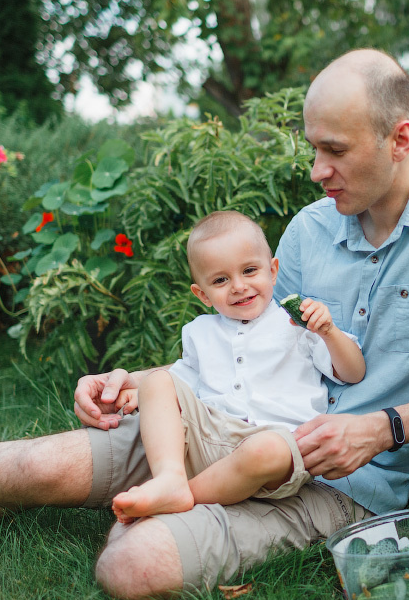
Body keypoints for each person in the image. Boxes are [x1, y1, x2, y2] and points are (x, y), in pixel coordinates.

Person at [0, 48, 409, 600]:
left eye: (335, 151)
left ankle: (159, 512)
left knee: (134, 564)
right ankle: (162, 491)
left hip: (342, 483)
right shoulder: (308, 230)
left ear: (400, 138)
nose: (317, 170)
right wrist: (131, 380)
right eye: (314, 148)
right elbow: (253, 345)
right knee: (33, 469)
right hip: (225, 425)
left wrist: (384, 428)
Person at [110, 211, 365, 524]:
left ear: (272, 271)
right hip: (211, 439)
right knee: (156, 380)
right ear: (202, 294)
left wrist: (328, 332)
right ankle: (169, 477)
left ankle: (187, 495)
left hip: (273, 450)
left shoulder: (299, 323)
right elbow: (181, 383)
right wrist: (144, 395)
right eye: (220, 280)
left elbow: (354, 373)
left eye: (249, 270)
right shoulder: (199, 332)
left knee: (266, 450)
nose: (238, 286)